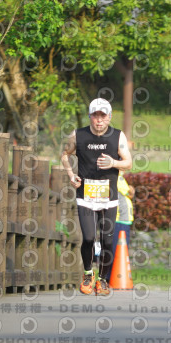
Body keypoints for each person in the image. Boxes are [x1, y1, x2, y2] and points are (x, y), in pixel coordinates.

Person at [60, 98, 132, 296]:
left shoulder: (118, 137)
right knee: (89, 237)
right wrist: (70, 175)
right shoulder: (78, 135)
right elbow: (65, 154)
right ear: (90, 116)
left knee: (108, 241)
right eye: (95, 115)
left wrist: (113, 163)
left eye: (103, 115)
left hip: (109, 197)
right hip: (85, 196)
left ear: (109, 117)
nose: (99, 120)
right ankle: (87, 273)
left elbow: (128, 163)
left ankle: (102, 280)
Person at [109, 171, 134, 281]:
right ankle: (109, 278)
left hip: (124, 220)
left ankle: (118, 278)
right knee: (115, 251)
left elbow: (128, 194)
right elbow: (128, 192)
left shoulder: (120, 178)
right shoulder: (115, 177)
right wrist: (131, 190)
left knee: (121, 251)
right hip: (118, 220)